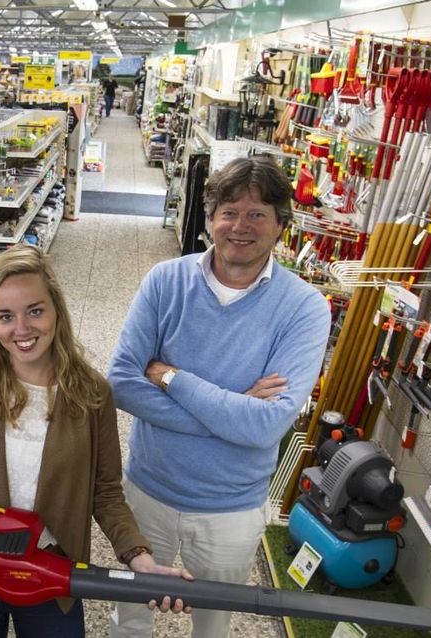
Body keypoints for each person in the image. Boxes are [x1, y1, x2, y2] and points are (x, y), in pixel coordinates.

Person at [0, 245, 191, 638]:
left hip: (51, 569)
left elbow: (105, 492)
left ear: (57, 310)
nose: (22, 329)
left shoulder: (91, 392)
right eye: (5, 317)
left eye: (35, 310)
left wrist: (138, 556)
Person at [107, 155, 331, 638]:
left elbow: (266, 426)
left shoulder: (305, 309)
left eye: (257, 215)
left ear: (280, 227)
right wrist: (233, 405)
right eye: (229, 212)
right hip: (148, 491)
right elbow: (122, 382)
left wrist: (171, 378)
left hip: (232, 509)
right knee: (130, 619)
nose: (240, 226)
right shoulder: (165, 281)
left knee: (212, 628)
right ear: (210, 219)